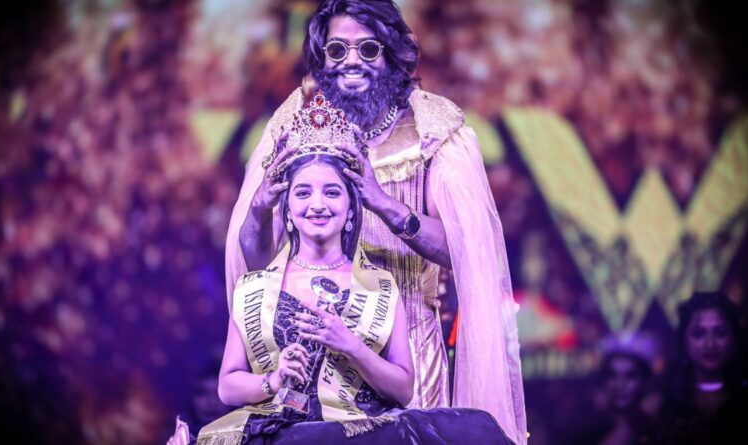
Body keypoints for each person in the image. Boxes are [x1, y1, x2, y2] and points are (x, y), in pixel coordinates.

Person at [224, 1, 526, 443]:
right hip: (313, 359)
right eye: (337, 50)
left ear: (392, 53)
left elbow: (464, 251)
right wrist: (258, 210)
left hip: (407, 355)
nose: (351, 61)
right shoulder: (296, 124)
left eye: (368, 49)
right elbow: (257, 263)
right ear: (322, 56)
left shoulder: (433, 130)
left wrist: (383, 203)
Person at [657, 291, 748, 444]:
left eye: (720, 333)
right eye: (698, 334)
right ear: (684, 340)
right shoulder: (662, 401)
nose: (710, 344)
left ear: (734, 338)